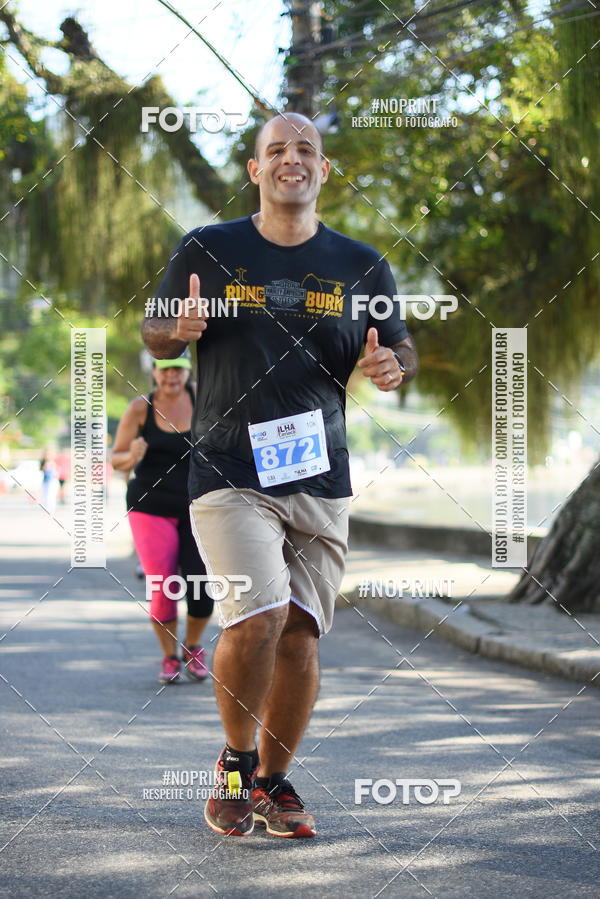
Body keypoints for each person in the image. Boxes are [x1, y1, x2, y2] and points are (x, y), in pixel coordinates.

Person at [142, 112, 419, 837]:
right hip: (230, 466)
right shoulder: (209, 247)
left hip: (321, 472)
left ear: (323, 170)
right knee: (258, 614)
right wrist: (177, 330)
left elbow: (400, 346)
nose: (291, 159)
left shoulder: (362, 264)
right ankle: (235, 766)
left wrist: (394, 364)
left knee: (300, 631)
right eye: (276, 150)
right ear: (255, 170)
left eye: (306, 149)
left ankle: (274, 781)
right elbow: (155, 325)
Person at [111, 354, 214, 684]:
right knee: (163, 585)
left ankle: (193, 646)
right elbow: (117, 460)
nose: (171, 376)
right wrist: (133, 454)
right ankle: (169, 656)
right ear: (154, 372)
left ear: (187, 372)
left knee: (201, 584)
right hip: (149, 505)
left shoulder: (203, 397)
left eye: (178, 370)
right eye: (164, 369)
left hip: (198, 505)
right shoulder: (141, 407)